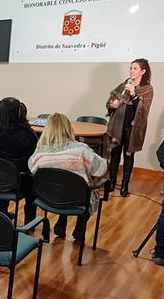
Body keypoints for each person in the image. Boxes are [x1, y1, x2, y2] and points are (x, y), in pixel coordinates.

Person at [28, 113, 107, 241]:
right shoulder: (82, 150)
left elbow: (31, 167)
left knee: (62, 184)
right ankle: (80, 226)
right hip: (77, 198)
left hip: (48, 196)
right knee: (86, 184)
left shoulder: (41, 151)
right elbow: (102, 169)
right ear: (69, 128)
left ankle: (62, 220)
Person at [0, 97, 38, 222]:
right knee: (32, 178)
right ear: (19, 113)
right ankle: (29, 221)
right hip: (15, 183)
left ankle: (2, 210)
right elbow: (32, 160)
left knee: (3, 167)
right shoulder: (27, 134)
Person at [106, 58, 153, 197]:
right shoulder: (124, 85)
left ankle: (125, 185)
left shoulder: (147, 89)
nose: (132, 71)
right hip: (118, 126)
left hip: (132, 128)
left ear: (143, 71)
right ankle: (112, 182)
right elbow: (110, 102)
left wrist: (133, 94)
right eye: (131, 68)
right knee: (115, 154)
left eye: (135, 68)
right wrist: (112, 105)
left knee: (128, 155)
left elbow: (144, 110)